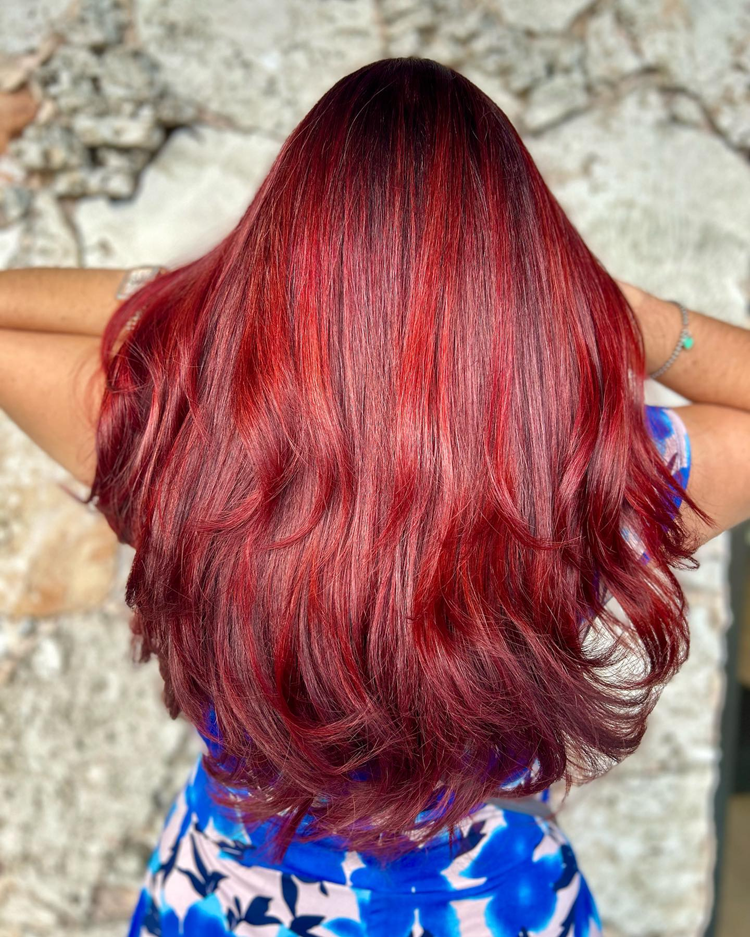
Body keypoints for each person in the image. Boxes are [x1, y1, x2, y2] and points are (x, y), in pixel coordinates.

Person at [1, 56, 748, 937]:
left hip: (225, 907)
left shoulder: (170, 440)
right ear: (520, 277)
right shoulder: (596, 479)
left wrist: (204, 296)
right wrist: (640, 321)